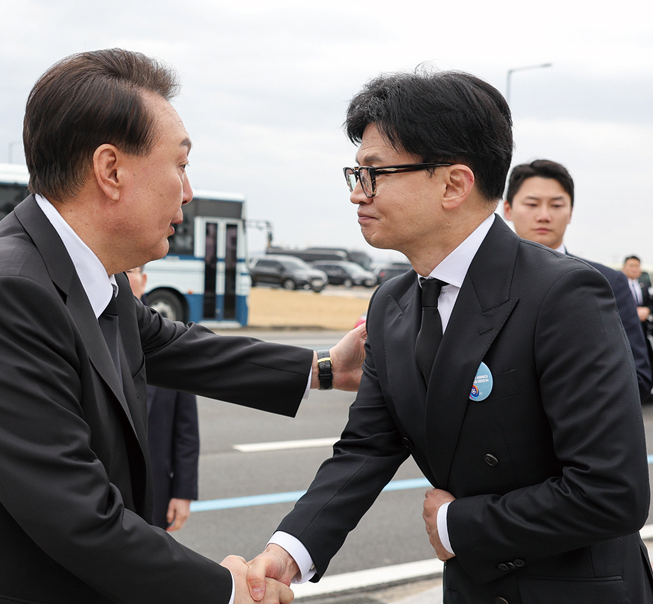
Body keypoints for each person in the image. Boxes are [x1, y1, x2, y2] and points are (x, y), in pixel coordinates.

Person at [0, 49, 366, 604]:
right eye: (180, 164)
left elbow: (169, 345)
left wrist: (323, 368)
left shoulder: (84, 271)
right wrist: (226, 592)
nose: (189, 192)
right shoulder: (3, 294)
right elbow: (76, 513)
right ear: (110, 170)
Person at [247, 70, 653, 604]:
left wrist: (457, 525)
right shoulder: (391, 303)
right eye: (355, 173)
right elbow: (366, 448)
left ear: (454, 184)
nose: (356, 194)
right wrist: (288, 553)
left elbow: (612, 493)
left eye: (375, 173)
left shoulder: (564, 293)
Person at [503, 159, 652, 402]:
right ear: (507, 209)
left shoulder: (606, 281)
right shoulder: (482, 279)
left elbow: (638, 377)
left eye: (556, 205)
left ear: (570, 212)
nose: (544, 215)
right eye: (531, 204)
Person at [127, 265, 199, 532]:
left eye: (131, 272)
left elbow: (186, 430)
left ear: (144, 280)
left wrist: (183, 492)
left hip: (155, 490)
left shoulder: (169, 340)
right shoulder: (85, 330)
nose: (124, 279)